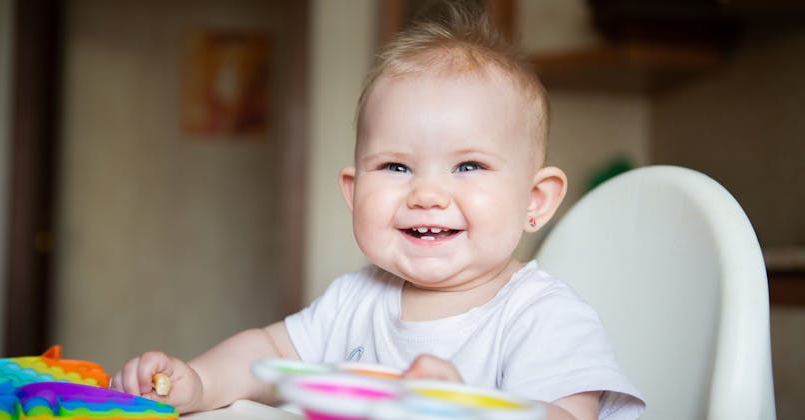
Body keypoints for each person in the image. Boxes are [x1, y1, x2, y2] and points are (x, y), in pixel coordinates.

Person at [112, 3, 645, 419]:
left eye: (468, 166)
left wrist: (467, 409)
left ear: (535, 200)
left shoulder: (542, 316)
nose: (427, 195)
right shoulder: (355, 299)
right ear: (353, 190)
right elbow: (267, 352)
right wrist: (200, 381)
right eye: (395, 166)